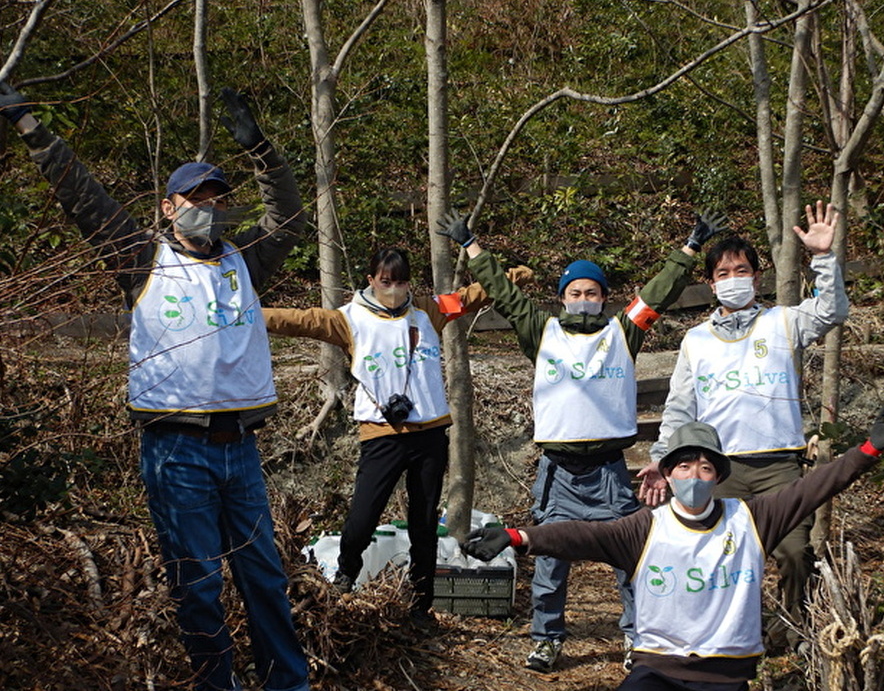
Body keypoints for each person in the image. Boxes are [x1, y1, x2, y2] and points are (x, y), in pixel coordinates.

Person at [1, 83, 310, 691]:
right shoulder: (141, 259)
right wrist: (30, 127)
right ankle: (217, 685)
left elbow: (290, 216)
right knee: (198, 583)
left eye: (217, 200)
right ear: (169, 208)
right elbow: (83, 196)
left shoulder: (246, 261)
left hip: (241, 447)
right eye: (196, 199)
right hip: (176, 450)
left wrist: (263, 152)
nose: (208, 209)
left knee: (265, 577)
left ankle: (286, 683)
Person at [437, 208, 727, 672]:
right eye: (575, 293)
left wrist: (690, 248)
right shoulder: (542, 331)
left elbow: (661, 291)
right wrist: (472, 247)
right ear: (562, 298)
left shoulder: (623, 331)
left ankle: (637, 636)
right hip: (558, 474)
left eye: (592, 292)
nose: (584, 299)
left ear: (605, 297)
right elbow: (506, 295)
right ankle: (546, 639)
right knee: (550, 560)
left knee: (631, 557)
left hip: (610, 472)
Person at [462, 404, 884, 691]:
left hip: (727, 674)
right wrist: (519, 537)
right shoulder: (645, 528)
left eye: (705, 468)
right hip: (657, 671)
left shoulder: (751, 519)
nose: (694, 476)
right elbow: (581, 535)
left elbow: (814, 488)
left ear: (719, 476)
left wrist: (868, 449)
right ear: (668, 475)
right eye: (684, 467)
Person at [262, 248, 530, 625]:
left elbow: (470, 297)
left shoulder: (428, 310)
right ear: (371, 280)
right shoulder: (349, 319)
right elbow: (301, 320)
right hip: (381, 436)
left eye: (401, 282)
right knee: (362, 519)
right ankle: (346, 574)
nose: (393, 289)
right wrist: (250, 315)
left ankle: (421, 604)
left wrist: (513, 276)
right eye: (385, 282)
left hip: (430, 433)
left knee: (424, 525)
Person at [637, 200, 849, 652]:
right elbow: (680, 408)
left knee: (795, 553)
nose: (733, 279)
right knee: (718, 558)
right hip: (719, 471)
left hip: (780, 467)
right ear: (711, 284)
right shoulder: (696, 340)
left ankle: (792, 634)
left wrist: (824, 257)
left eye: (742, 271)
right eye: (723, 273)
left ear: (756, 277)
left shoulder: (784, 322)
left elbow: (831, 311)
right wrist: (660, 460)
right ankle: (724, 633)